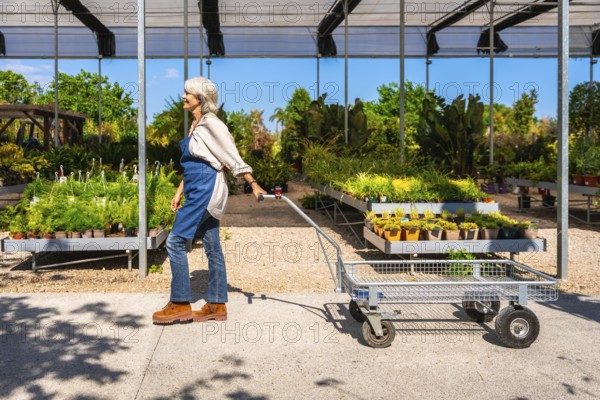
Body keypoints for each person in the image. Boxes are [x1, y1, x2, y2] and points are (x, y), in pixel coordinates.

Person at [152, 77, 266, 325]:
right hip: (196, 185)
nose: (183, 96)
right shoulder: (196, 126)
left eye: (187, 93)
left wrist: (252, 183)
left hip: (205, 188)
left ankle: (180, 303)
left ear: (200, 99)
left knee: (174, 243)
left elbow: (230, 154)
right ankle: (216, 304)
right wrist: (179, 191)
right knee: (213, 246)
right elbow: (195, 162)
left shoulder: (212, 124)